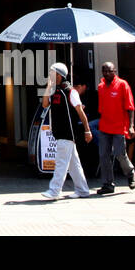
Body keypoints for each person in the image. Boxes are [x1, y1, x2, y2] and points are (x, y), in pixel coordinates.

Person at [41, 63, 92, 200]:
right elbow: (45, 104)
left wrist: (87, 130)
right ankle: (83, 190)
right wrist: (48, 87)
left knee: (61, 163)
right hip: (59, 132)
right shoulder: (54, 91)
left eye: (52, 73)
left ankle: (54, 190)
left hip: (67, 132)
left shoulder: (70, 91)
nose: (50, 76)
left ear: (59, 75)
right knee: (73, 164)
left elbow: (80, 112)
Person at [95, 61, 135, 194]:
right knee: (104, 155)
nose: (107, 73)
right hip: (105, 126)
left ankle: (130, 173)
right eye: (104, 71)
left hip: (119, 126)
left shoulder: (123, 85)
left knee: (120, 154)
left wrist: (131, 126)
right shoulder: (101, 86)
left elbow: (130, 107)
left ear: (115, 71)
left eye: (109, 71)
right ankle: (108, 184)